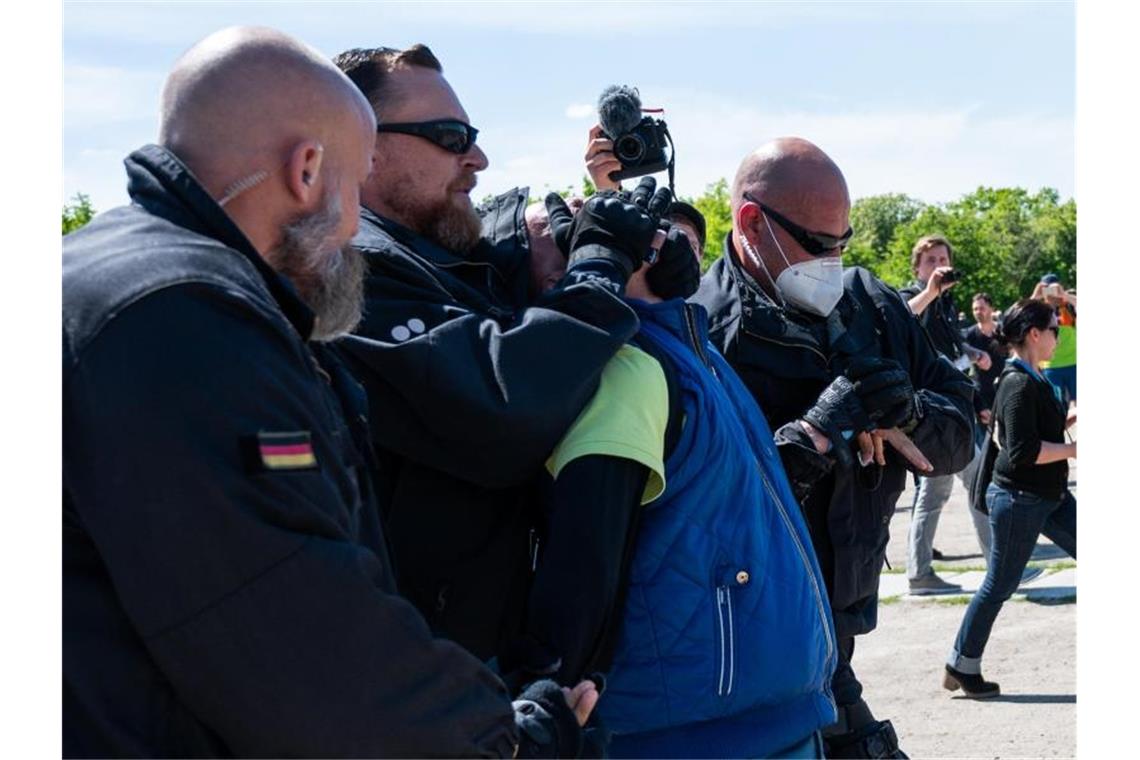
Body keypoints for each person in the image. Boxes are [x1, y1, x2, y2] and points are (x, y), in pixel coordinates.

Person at [63, 26, 595, 757]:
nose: (354, 229)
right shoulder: (186, 320)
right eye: (352, 185)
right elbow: (300, 644)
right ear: (308, 168)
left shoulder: (105, 273)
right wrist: (511, 736)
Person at [331, 46, 664, 666]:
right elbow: (500, 407)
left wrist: (570, 240)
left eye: (474, 137)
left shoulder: (443, 256)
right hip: (423, 680)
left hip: (477, 667)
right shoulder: (347, 266)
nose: (477, 158)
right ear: (360, 147)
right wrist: (597, 265)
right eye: (451, 137)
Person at [516, 192, 836, 758]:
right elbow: (584, 557)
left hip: (768, 716)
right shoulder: (629, 366)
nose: (667, 241)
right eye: (643, 230)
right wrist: (552, 696)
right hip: (695, 733)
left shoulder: (692, 345)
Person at [689, 137, 975, 758]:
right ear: (750, 223)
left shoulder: (873, 305)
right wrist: (819, 430)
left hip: (840, 617)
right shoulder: (700, 330)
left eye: (843, 240)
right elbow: (703, 512)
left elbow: (959, 439)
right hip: (747, 639)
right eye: (819, 244)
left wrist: (909, 411)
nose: (834, 258)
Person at [944, 298, 1077, 698]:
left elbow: (1032, 431)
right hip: (1020, 499)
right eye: (1054, 328)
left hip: (1047, 495)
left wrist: (1071, 419)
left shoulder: (1031, 376)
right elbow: (1023, 451)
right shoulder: (1017, 382)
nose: (1058, 334)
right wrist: (1075, 449)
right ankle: (961, 665)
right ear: (1035, 334)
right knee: (999, 584)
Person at [899, 237, 992, 595]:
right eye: (931, 260)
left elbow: (948, 343)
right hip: (932, 412)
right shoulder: (913, 294)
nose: (939, 265)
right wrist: (931, 291)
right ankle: (999, 564)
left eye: (944, 259)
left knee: (939, 493)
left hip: (952, 409)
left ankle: (920, 572)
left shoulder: (947, 302)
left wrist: (971, 351)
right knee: (978, 483)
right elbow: (903, 316)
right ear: (918, 268)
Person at [1033, 273, 1077, 405]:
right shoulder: (1037, 309)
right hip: (1050, 366)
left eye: (1052, 288)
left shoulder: (1068, 306)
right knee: (1055, 406)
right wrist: (1035, 297)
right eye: (1046, 289)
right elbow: (1017, 315)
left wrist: (1064, 295)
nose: (1050, 292)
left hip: (1074, 363)